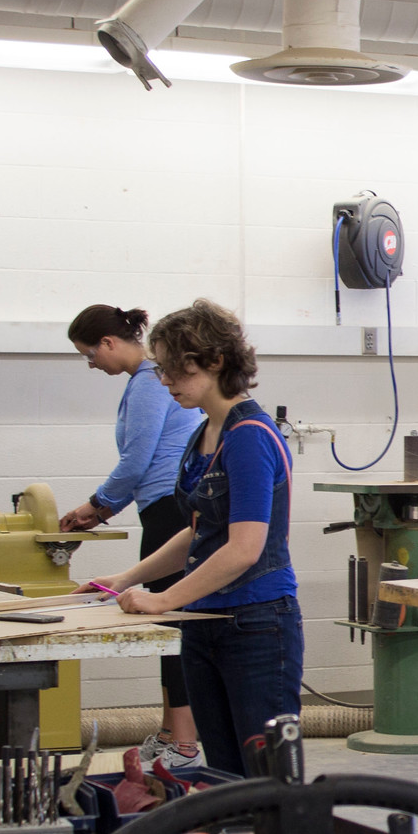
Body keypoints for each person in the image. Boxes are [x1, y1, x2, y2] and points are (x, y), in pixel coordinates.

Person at [83, 300, 300, 778]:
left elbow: (244, 548)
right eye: (160, 368)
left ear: (215, 361)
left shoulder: (249, 435)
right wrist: (126, 579)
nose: (164, 381)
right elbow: (199, 532)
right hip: (206, 623)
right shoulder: (206, 432)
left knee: (266, 777)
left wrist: (163, 602)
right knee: (222, 773)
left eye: (173, 368)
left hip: (255, 626)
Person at [61, 305, 207, 768]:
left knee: (171, 625)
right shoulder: (143, 382)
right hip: (158, 504)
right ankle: (172, 730)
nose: (92, 365)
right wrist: (105, 508)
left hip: (169, 508)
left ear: (108, 342)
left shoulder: (147, 383)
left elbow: (137, 460)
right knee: (165, 624)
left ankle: (184, 741)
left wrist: (96, 503)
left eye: (89, 355)